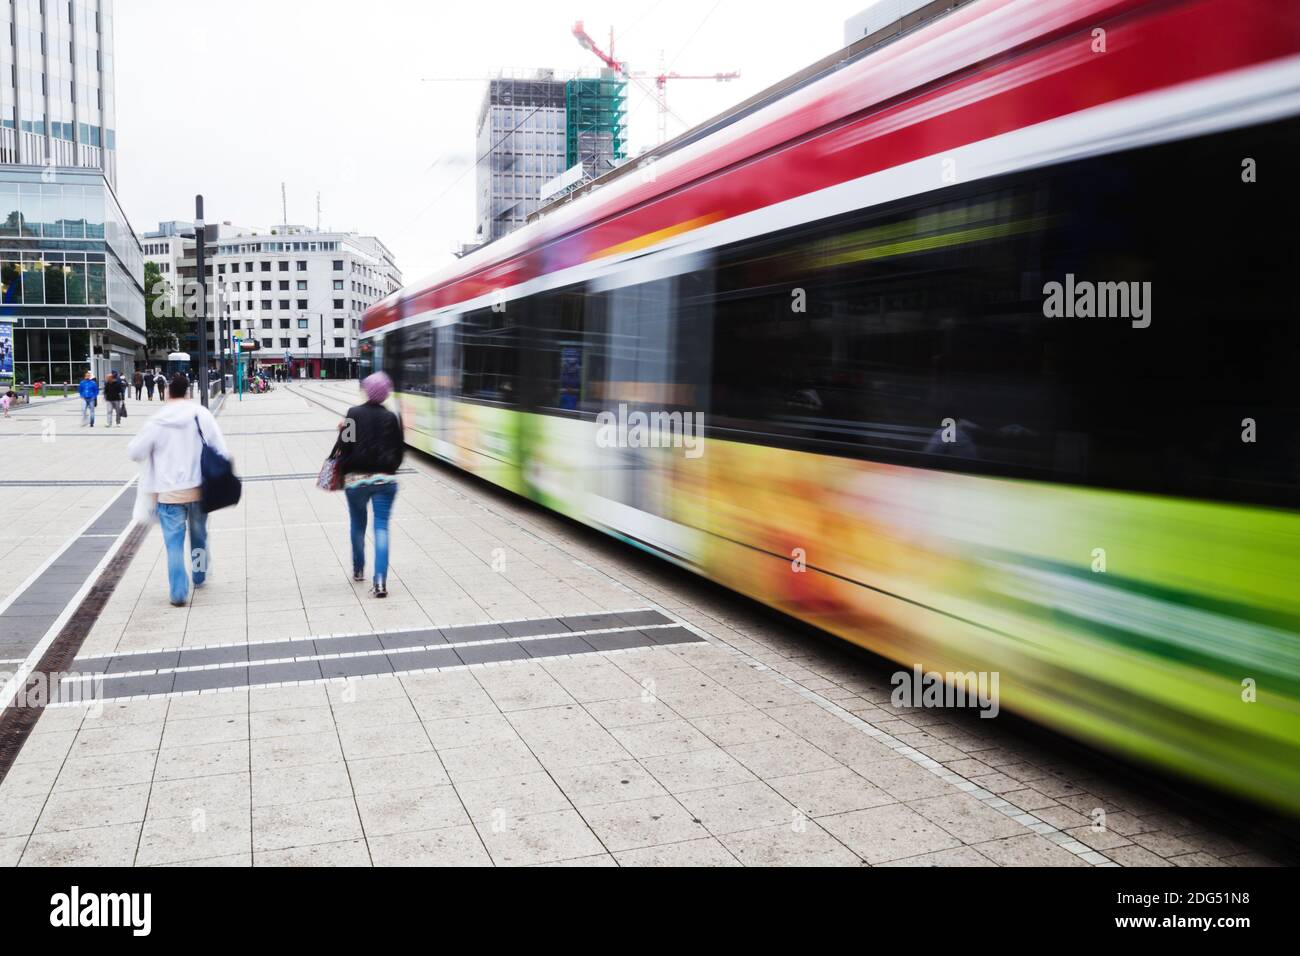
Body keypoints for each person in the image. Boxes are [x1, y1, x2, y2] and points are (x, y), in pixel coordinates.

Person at [127, 373, 230, 607]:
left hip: (168, 495)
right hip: (198, 491)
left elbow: (135, 452)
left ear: (167, 392)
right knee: (199, 536)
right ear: (187, 392)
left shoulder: (157, 420)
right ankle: (199, 574)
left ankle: (178, 592)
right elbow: (221, 449)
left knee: (173, 544)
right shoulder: (201, 414)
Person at [336, 372, 404, 598]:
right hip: (385, 481)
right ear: (386, 394)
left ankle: (358, 569)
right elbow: (399, 454)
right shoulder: (392, 418)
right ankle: (381, 581)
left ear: (366, 390)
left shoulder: (353, 414)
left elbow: (344, 448)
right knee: (381, 528)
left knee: (358, 524)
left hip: (356, 481)